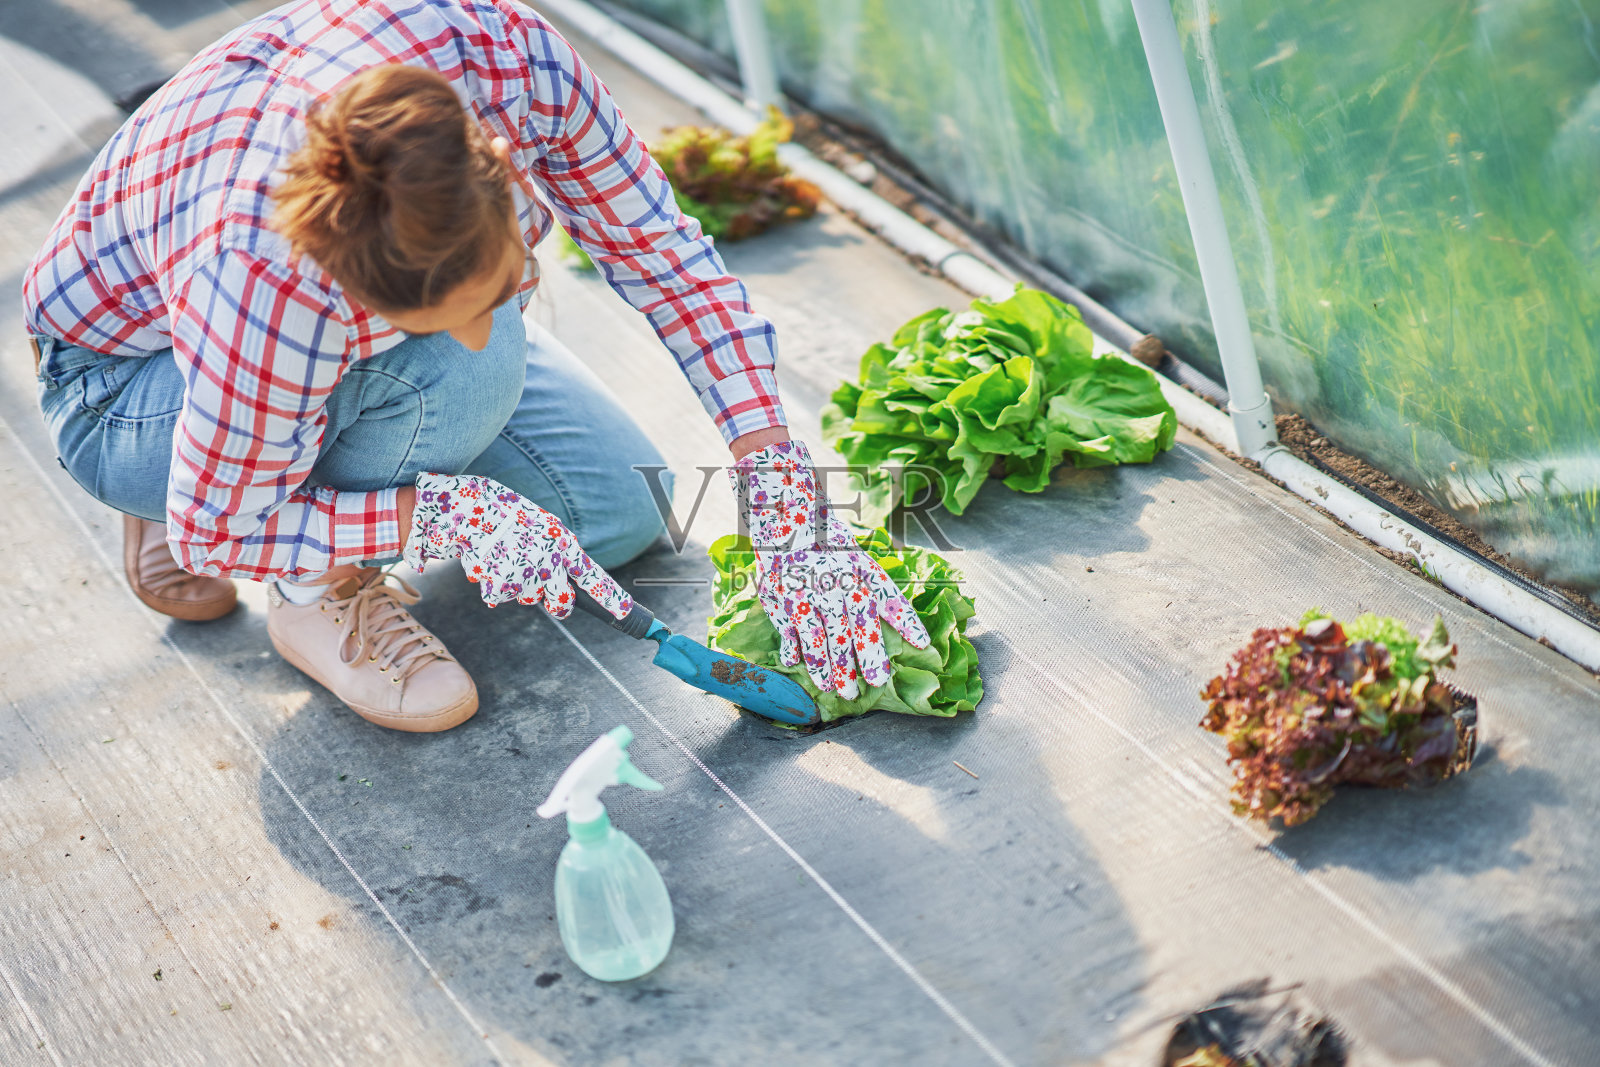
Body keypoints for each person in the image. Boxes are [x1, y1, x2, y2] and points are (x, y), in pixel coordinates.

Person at [24, 0, 928, 733]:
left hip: (287, 372)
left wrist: (783, 489)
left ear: (499, 170)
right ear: (351, 289)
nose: (475, 329)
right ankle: (312, 590)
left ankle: (339, 440)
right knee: (459, 378)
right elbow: (216, 533)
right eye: (440, 316)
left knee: (606, 524)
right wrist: (442, 511)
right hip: (128, 387)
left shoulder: (516, 62)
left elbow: (665, 258)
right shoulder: (266, 280)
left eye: (500, 283)